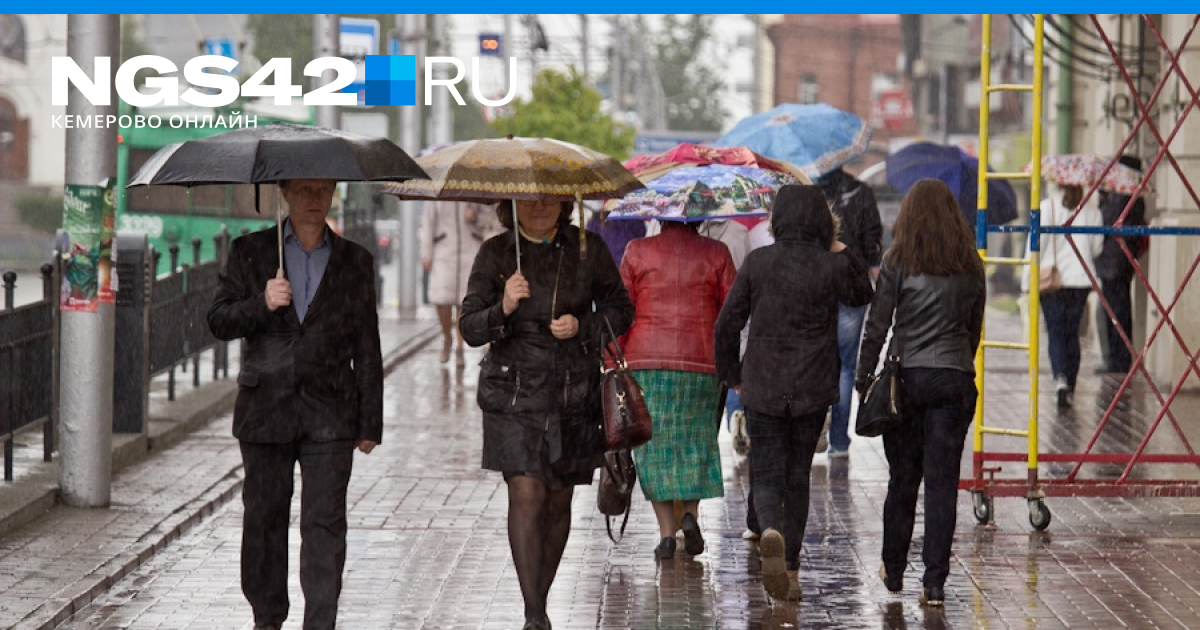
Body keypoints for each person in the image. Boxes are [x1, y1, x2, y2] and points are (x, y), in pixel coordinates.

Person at [207, 178, 383, 630]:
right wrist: (261, 303)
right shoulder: (251, 251)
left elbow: (367, 344)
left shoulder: (355, 261)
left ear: (333, 194)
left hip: (331, 411)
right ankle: (267, 618)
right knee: (264, 520)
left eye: (322, 190)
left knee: (324, 524)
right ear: (285, 191)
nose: (312, 199)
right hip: (266, 408)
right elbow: (219, 320)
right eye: (303, 189)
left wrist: (369, 421)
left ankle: (320, 621)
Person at [460, 199, 633, 630]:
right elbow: (469, 326)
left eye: (548, 199)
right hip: (513, 395)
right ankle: (534, 613)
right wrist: (502, 308)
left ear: (563, 203)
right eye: (529, 201)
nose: (539, 208)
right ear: (512, 205)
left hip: (572, 394)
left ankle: (540, 598)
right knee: (525, 492)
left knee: (558, 499)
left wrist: (582, 326)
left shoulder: (587, 248)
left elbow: (620, 309)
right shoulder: (496, 253)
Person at [715, 184, 873, 601]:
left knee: (765, 470)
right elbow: (864, 292)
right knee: (798, 475)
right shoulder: (829, 265)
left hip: (762, 382)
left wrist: (732, 375)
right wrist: (839, 246)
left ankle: (769, 529)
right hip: (811, 384)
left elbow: (726, 325)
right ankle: (791, 567)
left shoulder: (758, 262)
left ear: (777, 219)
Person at [855, 178, 986, 608]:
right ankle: (934, 582)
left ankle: (893, 569)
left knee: (904, 479)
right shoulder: (970, 263)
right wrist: (957, 362)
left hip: (906, 379)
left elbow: (878, 323)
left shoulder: (899, 259)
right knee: (943, 484)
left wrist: (863, 377)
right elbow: (974, 327)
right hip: (954, 378)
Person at [619, 220, 736, 561]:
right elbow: (731, 310)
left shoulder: (637, 251)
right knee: (695, 442)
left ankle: (667, 536)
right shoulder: (718, 253)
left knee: (653, 449)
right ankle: (689, 513)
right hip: (702, 361)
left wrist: (613, 358)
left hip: (647, 360)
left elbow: (623, 310)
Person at [817, 167, 883, 457]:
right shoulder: (861, 191)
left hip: (816, 282)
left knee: (815, 360)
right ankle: (839, 442)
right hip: (852, 283)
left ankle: (813, 428)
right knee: (845, 366)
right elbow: (873, 239)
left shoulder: (810, 191)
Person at [1035, 183, 1103, 407]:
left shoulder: (1047, 208)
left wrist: (1029, 277)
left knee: (1055, 332)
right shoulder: (1093, 212)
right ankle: (1071, 386)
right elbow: (1097, 249)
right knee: (1072, 333)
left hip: (1052, 279)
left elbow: (1037, 244)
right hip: (1080, 280)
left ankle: (1060, 379)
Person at [420, 199, 497, 365]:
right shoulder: (437, 195)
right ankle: (447, 338)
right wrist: (426, 253)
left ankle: (460, 348)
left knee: (465, 302)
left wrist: (475, 217)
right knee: (441, 300)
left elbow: (490, 220)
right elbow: (428, 222)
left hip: (470, 250)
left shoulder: (473, 192)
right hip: (443, 251)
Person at [1094, 155, 1147, 374]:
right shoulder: (1124, 195)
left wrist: (1105, 200)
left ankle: (1119, 360)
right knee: (1114, 311)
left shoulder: (1127, 197)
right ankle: (1117, 358)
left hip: (1116, 264)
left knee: (1117, 312)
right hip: (1114, 263)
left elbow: (1107, 221)